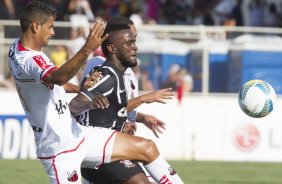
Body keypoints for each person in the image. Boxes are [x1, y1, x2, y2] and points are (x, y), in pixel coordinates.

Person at [8, 1, 184, 184]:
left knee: (146, 148)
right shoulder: (31, 59)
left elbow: (49, 82)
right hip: (59, 149)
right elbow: (56, 79)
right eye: (50, 27)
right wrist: (87, 49)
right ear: (35, 26)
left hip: (78, 133)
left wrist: (81, 89)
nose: (52, 32)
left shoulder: (15, 49)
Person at [68, 16, 184, 184]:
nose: (135, 47)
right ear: (112, 48)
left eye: (134, 41)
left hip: (113, 149)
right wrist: (91, 102)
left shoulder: (122, 75)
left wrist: (130, 120)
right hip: (98, 154)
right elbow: (75, 105)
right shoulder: (105, 73)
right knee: (148, 149)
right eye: (129, 42)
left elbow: (113, 107)